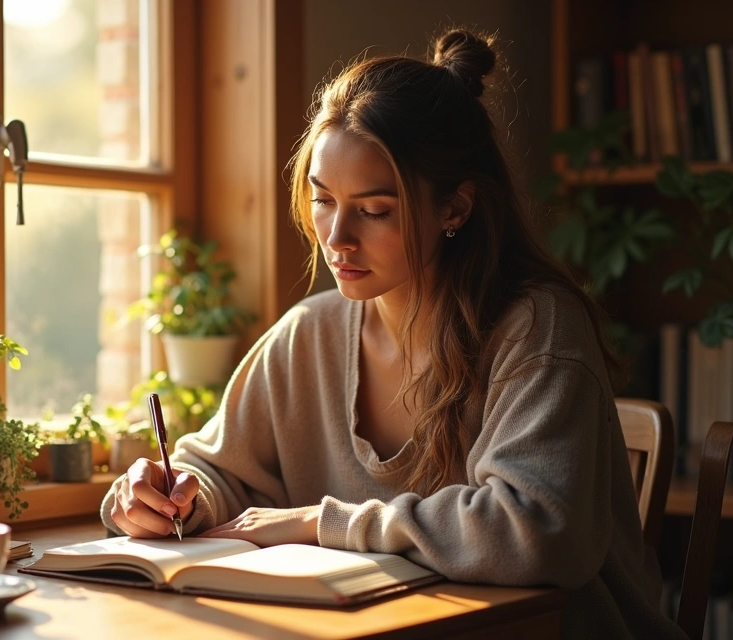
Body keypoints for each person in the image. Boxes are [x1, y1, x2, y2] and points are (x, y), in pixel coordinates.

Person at [101, 29, 683, 639]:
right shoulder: (308, 336)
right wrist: (173, 497)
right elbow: (223, 472)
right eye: (323, 200)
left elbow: (538, 532)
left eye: (374, 210)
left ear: (455, 208)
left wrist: (321, 523)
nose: (337, 238)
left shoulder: (537, 328)